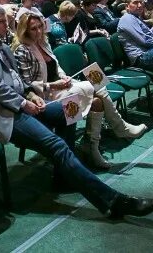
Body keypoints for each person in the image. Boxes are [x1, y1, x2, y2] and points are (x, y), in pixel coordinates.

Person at [0, 4, 153, 220]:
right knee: (56, 144)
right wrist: (23, 102)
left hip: (18, 104)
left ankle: (62, 175)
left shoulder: (0, 45)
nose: (6, 24)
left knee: (71, 109)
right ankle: (111, 200)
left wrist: (30, 94)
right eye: (0, 21)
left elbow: (18, 79)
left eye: (5, 20)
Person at [12, 13, 146, 169]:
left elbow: (56, 67)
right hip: (45, 94)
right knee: (94, 85)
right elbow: (27, 84)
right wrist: (54, 84)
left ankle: (91, 146)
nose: (39, 31)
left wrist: (64, 76)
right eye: (33, 29)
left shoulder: (43, 43)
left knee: (98, 94)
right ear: (24, 30)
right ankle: (120, 127)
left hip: (61, 85)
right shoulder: (22, 50)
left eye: (40, 26)